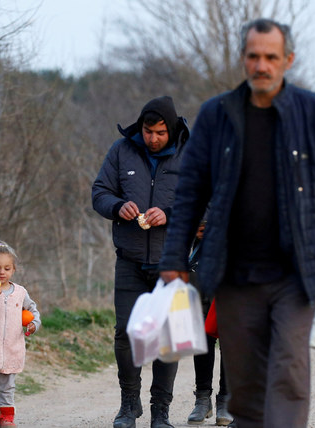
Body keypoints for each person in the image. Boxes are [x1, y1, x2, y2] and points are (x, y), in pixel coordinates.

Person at [158, 18, 315, 428]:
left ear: (287, 60)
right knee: (248, 385)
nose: (262, 65)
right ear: (243, 59)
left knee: (290, 373)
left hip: (297, 272)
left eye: (271, 57)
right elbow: (189, 193)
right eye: (254, 56)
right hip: (235, 275)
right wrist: (174, 257)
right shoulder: (216, 114)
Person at [92, 96, 189, 428]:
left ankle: (160, 411)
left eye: (160, 132)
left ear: (171, 129)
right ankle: (128, 404)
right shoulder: (122, 150)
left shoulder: (190, 153)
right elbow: (100, 192)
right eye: (148, 132)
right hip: (130, 260)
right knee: (126, 333)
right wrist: (118, 206)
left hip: (172, 263)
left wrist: (171, 214)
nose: (153, 139)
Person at [0, 239, 41, 428]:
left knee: (8, 387)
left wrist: (34, 323)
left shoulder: (20, 292)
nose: (1, 272)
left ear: (13, 270)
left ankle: (6, 419)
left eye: (6, 268)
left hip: (12, 348)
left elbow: (33, 310)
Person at [186, 220, 233, 426]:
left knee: (230, 337)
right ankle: (202, 399)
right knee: (202, 335)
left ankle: (226, 400)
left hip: (234, 265)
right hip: (201, 268)